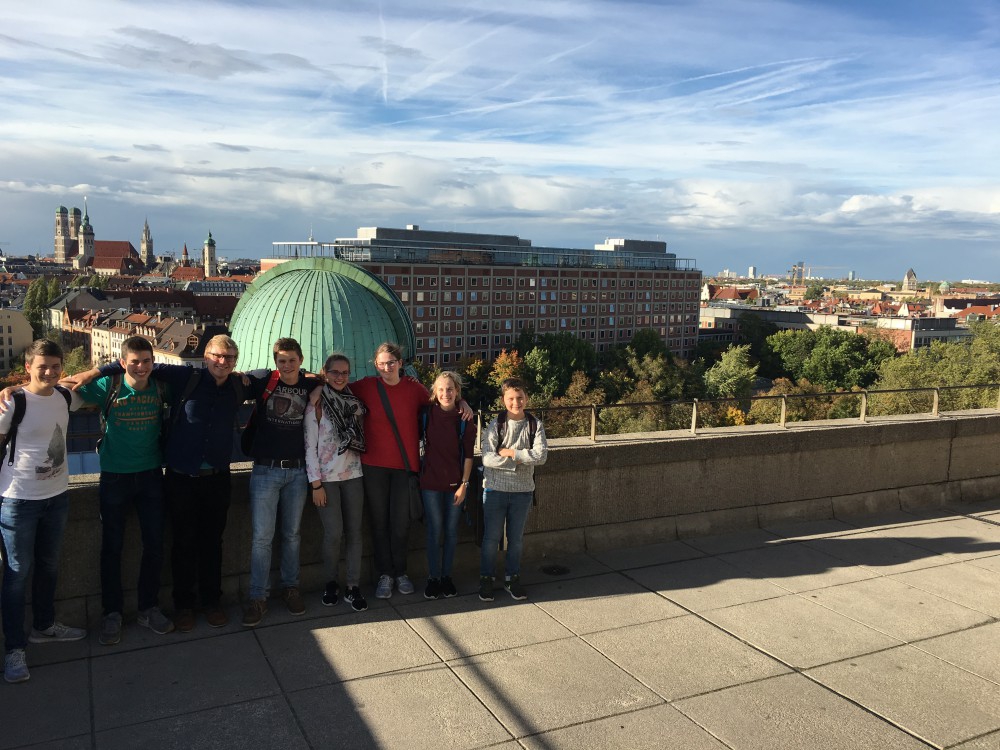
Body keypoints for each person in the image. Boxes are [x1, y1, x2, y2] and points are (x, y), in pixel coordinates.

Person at [74, 334, 246, 632]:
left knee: (202, 543)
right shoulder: (182, 376)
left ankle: (206, 602)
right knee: (173, 543)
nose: (223, 362)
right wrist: (95, 371)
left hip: (200, 477)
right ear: (206, 356)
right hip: (164, 476)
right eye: (217, 356)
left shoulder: (235, 384)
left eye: (229, 357)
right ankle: (172, 607)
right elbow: (58, 388)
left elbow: (284, 375)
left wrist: (318, 379)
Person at [73, 336, 174, 644]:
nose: (141, 367)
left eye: (146, 361)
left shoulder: (161, 386)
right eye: (135, 362)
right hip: (115, 476)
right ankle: (112, 613)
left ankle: (148, 607)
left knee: (154, 545)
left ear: (153, 362)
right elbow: (61, 384)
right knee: (112, 547)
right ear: (122, 363)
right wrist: (14, 390)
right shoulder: (109, 386)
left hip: (151, 474)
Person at [0, 340, 85, 684]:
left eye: (55, 366)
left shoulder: (65, 396)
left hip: (57, 496)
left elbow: (91, 381)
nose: (49, 372)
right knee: (17, 574)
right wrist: (13, 388)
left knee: (49, 565)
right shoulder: (12, 402)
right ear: (28, 368)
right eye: (42, 367)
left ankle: (44, 626)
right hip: (18, 499)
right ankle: (14, 648)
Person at [241, 338, 322, 627]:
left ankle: (291, 588)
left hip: (297, 472)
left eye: (291, 360)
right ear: (275, 362)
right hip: (266, 470)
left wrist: (320, 384)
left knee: (292, 534)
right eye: (282, 361)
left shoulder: (310, 384)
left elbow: (331, 380)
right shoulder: (264, 379)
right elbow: (232, 382)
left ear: (301, 360)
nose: (287, 365)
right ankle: (258, 597)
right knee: (262, 538)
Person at [348, 343, 430, 599]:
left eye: (391, 362)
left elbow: (441, 400)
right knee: (379, 523)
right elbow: (335, 384)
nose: (386, 367)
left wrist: (464, 404)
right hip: (373, 466)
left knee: (400, 524)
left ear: (400, 363)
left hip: (404, 468)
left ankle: (401, 572)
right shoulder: (367, 386)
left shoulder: (414, 388)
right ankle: (385, 574)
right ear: (375, 365)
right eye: (382, 363)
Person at [304, 353, 368, 612]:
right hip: (327, 479)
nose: (340, 377)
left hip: (354, 475)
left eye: (344, 373)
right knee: (333, 534)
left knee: (355, 533)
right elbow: (309, 446)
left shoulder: (355, 401)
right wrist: (315, 484)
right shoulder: (316, 404)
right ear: (325, 373)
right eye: (334, 372)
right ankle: (331, 583)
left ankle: (353, 586)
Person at [479, 377, 548, 602]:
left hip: (523, 491)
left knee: (516, 539)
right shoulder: (496, 424)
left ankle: (512, 578)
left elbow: (541, 456)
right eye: (511, 398)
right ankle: (486, 578)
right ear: (503, 400)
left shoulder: (535, 425)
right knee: (491, 538)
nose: (516, 402)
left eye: (520, 398)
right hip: (495, 490)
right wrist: (519, 461)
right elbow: (487, 458)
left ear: (526, 398)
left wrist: (511, 453)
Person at [419, 371, 475, 599]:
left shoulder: (464, 419)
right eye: (441, 389)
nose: (445, 394)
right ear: (434, 391)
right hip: (430, 484)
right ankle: (433, 578)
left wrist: (464, 484)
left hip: (455, 485)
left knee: (451, 533)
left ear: (457, 391)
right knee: (434, 531)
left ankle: (446, 577)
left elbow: (469, 455)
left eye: (450, 389)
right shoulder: (426, 414)